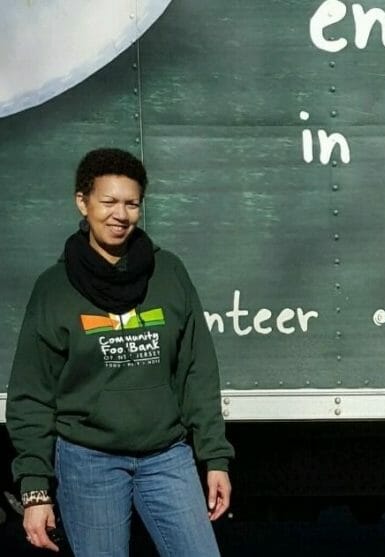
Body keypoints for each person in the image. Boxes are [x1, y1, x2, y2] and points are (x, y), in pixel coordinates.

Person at [6, 148, 234, 555]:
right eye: (108, 201)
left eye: (131, 203)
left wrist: (215, 457)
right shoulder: (54, 288)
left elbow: (198, 370)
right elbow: (31, 394)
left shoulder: (169, 274)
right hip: (88, 461)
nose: (120, 215)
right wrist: (34, 490)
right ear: (83, 202)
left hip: (167, 457)